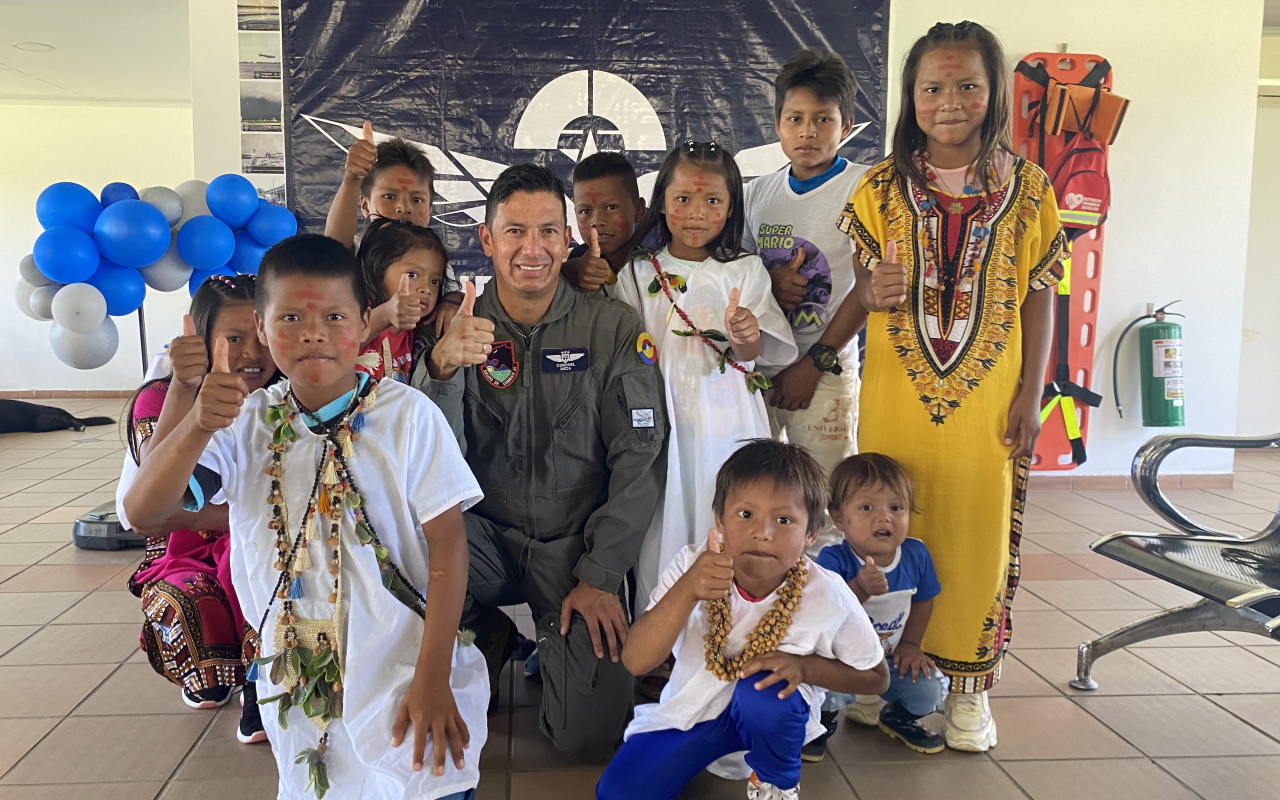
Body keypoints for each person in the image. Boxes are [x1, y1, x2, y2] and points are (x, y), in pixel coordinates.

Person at [124, 235, 488, 800]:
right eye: (290, 317)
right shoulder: (244, 424)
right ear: (265, 333)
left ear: (365, 321)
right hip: (299, 680)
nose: (313, 332)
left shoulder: (408, 416)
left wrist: (434, 675)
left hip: (404, 664)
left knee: (420, 778)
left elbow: (448, 543)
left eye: (334, 315)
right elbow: (145, 510)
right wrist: (195, 418)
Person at [837, 20, 1065, 751]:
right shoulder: (878, 187)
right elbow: (860, 283)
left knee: (973, 539)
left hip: (987, 408)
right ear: (911, 96)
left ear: (993, 92)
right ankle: (879, 678)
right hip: (897, 405)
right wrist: (869, 287)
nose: (949, 101)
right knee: (878, 533)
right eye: (932, 87)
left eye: (967, 84)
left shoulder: (1030, 190)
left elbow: (1041, 290)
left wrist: (1033, 393)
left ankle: (967, 693)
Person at [412, 163, 667, 763]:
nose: (533, 249)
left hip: (573, 550)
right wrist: (442, 372)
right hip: (481, 540)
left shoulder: (611, 328)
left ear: (568, 238)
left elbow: (641, 460)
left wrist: (602, 574)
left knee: (588, 736)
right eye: (515, 231)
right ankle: (489, 634)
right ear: (486, 239)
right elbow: (426, 463)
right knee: (402, 558)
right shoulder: (458, 329)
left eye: (549, 231)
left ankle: (554, 642)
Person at [596, 440, 888, 800]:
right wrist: (687, 591)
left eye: (784, 520)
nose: (762, 532)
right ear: (719, 518)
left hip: (769, 712)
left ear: (811, 533)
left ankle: (776, 781)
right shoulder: (692, 566)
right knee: (619, 793)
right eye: (745, 514)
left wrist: (804, 667)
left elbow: (877, 677)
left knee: (765, 695)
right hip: (694, 712)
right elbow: (636, 660)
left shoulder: (827, 593)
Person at [608, 140, 796, 607]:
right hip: (663, 421)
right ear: (661, 204)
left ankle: (731, 624)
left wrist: (744, 332)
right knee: (663, 518)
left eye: (713, 201)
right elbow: (623, 351)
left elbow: (755, 354)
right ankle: (664, 638)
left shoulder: (747, 271)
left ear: (731, 207)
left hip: (727, 420)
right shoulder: (635, 273)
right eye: (684, 200)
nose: (697, 213)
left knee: (726, 506)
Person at [120, 273, 276, 744]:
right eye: (233, 338)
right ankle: (219, 673)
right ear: (201, 338)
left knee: (268, 563)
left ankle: (261, 681)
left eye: (263, 333)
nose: (252, 353)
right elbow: (155, 506)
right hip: (186, 545)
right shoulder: (159, 397)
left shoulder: (284, 396)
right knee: (198, 596)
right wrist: (186, 390)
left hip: (259, 535)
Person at [743, 49, 868, 502]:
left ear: (847, 127)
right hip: (757, 371)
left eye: (823, 120)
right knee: (755, 495)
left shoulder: (862, 189)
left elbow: (867, 290)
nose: (807, 132)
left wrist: (814, 365)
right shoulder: (758, 193)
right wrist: (768, 284)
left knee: (828, 499)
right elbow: (735, 274)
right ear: (777, 124)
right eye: (795, 118)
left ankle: (825, 576)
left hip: (825, 373)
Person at [806, 453, 947, 759]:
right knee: (826, 685)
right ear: (840, 517)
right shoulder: (833, 560)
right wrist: (859, 588)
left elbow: (924, 600)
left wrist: (911, 644)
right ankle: (823, 723)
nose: (884, 517)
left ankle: (898, 717)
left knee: (930, 690)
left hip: (891, 659)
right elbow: (825, 614)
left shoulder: (916, 554)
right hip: (841, 659)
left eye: (896, 508)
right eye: (867, 507)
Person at [324, 122, 465, 336]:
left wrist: (451, 300)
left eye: (417, 199)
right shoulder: (360, 250)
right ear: (365, 206)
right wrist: (352, 178)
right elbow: (333, 246)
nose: (403, 208)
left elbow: (452, 291)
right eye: (389, 197)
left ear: (429, 210)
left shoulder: (433, 260)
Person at [355, 216, 454, 383]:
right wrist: (386, 315)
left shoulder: (419, 328)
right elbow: (338, 344)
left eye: (435, 281)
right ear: (378, 272)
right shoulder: (358, 312)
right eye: (413, 275)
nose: (426, 288)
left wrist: (453, 299)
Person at [561, 152, 647, 292]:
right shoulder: (574, 260)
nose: (597, 221)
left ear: (638, 210)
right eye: (586, 211)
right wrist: (571, 271)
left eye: (611, 208)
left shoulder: (664, 262)